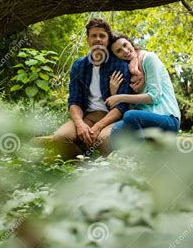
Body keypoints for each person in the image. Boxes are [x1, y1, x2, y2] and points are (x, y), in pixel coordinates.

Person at [53, 19, 131, 159]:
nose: (98, 39)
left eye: (102, 36)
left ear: (108, 40)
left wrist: (98, 126)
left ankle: (106, 176)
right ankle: (84, 172)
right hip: (87, 117)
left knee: (102, 140)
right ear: (88, 40)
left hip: (110, 118)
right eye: (94, 36)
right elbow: (74, 101)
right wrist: (80, 124)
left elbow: (121, 106)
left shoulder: (120, 65)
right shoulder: (79, 66)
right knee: (61, 137)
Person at [105, 34, 181, 141]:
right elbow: (127, 108)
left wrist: (119, 97)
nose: (125, 51)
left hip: (168, 119)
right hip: (144, 120)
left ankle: (142, 156)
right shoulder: (126, 72)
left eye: (125, 45)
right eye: (119, 51)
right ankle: (141, 151)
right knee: (116, 131)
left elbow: (154, 97)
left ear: (131, 43)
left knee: (130, 116)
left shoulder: (149, 58)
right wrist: (113, 92)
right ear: (115, 56)